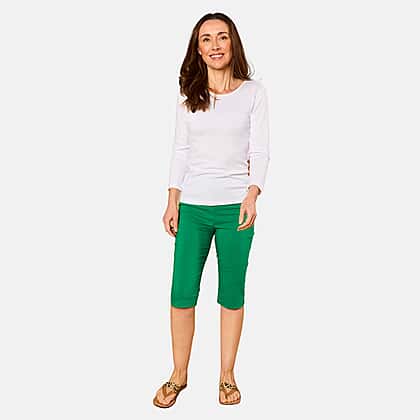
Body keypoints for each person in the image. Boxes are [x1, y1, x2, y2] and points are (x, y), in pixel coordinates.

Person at [153, 12, 270, 408]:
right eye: (206, 39)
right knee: (181, 292)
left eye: (222, 37)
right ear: (198, 49)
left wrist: (253, 194)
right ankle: (179, 375)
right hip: (194, 207)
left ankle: (227, 375)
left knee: (231, 292)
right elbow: (181, 151)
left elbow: (260, 149)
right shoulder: (189, 98)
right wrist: (172, 199)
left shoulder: (253, 93)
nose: (215, 45)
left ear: (233, 43)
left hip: (235, 208)